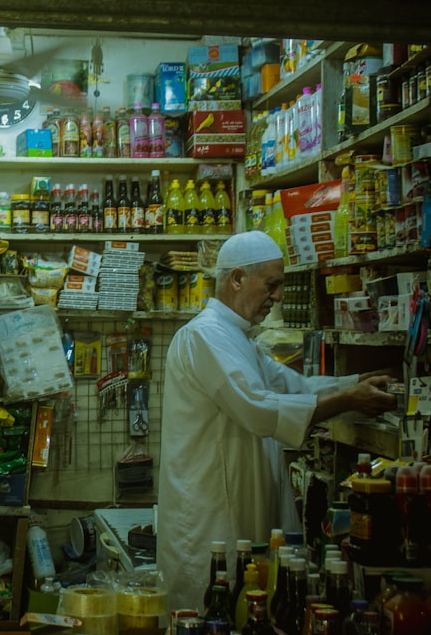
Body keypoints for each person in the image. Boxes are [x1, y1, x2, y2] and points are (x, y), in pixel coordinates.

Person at [156, 231, 398, 611]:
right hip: (209, 523)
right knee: (212, 612)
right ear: (237, 279)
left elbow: (294, 385)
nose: (278, 296)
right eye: (272, 285)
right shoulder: (204, 337)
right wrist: (349, 399)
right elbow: (260, 408)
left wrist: (357, 383)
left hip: (242, 511)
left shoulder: (239, 339)